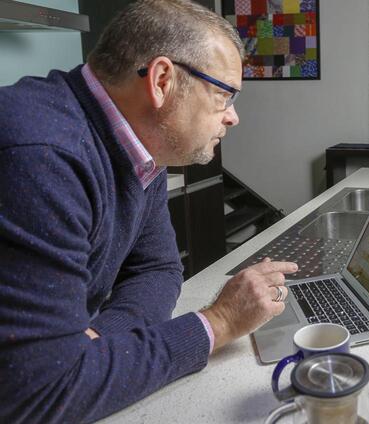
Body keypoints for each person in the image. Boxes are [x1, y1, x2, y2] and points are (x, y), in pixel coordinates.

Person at [0, 1, 296, 422]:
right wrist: (220, 322)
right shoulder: (40, 157)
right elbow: (42, 392)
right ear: (161, 80)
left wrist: (99, 344)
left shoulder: (142, 147)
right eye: (224, 95)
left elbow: (157, 269)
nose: (233, 116)